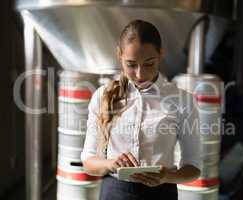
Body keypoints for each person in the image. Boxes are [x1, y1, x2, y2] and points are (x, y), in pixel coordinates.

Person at [81, 19, 201, 200]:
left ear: (161, 54)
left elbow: (193, 167)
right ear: (119, 55)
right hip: (114, 193)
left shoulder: (182, 101)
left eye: (149, 63)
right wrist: (111, 164)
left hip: (162, 194)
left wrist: (167, 176)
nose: (140, 74)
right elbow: (88, 162)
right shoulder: (102, 96)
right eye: (131, 64)